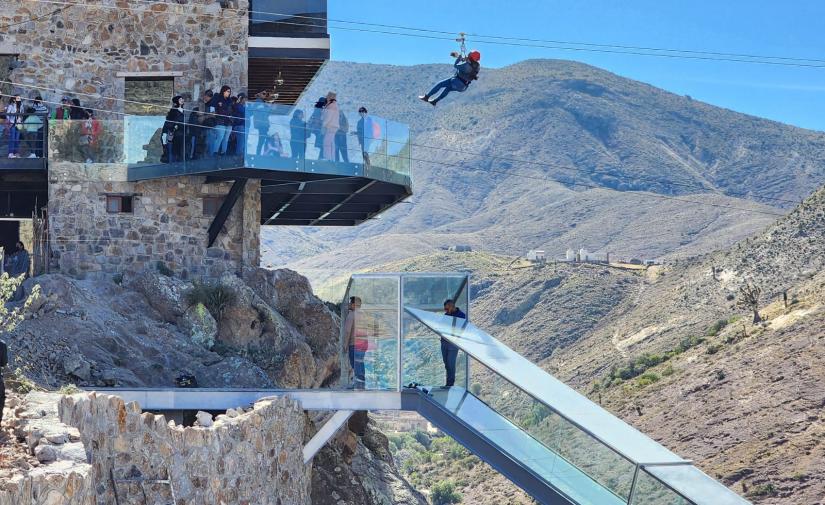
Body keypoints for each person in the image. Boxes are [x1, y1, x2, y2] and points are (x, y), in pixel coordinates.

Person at [441, 299, 466, 387]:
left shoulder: (461, 316)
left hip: (453, 344)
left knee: (451, 364)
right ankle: (448, 383)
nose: (446, 311)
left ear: (452, 306)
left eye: (447, 309)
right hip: (444, 342)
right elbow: (442, 327)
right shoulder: (446, 315)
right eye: (445, 309)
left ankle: (450, 384)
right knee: (446, 364)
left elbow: (461, 330)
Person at [343, 296, 367, 388]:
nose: (349, 305)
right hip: (364, 343)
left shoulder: (351, 315)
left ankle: (357, 385)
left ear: (354, 305)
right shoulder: (364, 314)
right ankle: (362, 384)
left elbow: (347, 331)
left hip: (354, 343)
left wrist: (345, 344)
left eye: (350, 303)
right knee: (360, 363)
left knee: (355, 364)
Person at [188, 89, 214, 160]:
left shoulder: (210, 108)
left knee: (203, 148)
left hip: (204, 130)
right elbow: (195, 121)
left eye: (210, 96)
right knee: (195, 149)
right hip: (197, 131)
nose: (208, 98)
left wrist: (206, 117)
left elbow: (210, 121)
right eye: (207, 96)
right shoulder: (196, 109)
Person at [211, 85, 233, 156]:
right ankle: (215, 152)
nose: (229, 93)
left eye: (229, 92)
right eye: (227, 91)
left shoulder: (230, 100)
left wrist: (231, 116)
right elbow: (214, 108)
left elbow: (232, 110)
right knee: (220, 137)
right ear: (223, 91)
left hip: (229, 122)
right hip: (220, 121)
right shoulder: (218, 98)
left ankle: (223, 153)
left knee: (226, 139)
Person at [162, 96, 186, 163]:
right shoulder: (173, 110)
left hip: (181, 134)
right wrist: (174, 126)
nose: (182, 100)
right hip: (174, 134)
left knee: (179, 151)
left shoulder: (183, 110)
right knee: (173, 151)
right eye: (180, 99)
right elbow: (169, 122)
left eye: (182, 99)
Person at [321, 92, 339, 160]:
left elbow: (328, 117)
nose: (327, 98)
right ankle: (331, 158)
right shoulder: (333, 105)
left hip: (330, 126)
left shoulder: (331, 106)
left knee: (327, 142)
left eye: (328, 97)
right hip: (333, 126)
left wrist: (323, 125)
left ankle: (328, 157)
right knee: (331, 142)